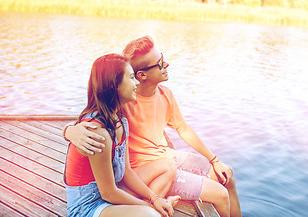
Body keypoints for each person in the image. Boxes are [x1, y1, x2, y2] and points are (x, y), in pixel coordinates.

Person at [64, 37, 242, 217]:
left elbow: (183, 128)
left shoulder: (159, 97)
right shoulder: (123, 105)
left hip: (165, 160)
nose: (167, 65)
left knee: (227, 174)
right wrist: (70, 131)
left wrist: (214, 160)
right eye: (160, 63)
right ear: (141, 75)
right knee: (220, 194)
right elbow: (93, 115)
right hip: (141, 172)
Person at [64, 53, 179, 217]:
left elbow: (126, 172)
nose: (137, 83)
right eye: (132, 78)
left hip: (112, 191)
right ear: (114, 85)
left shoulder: (120, 120)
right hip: (88, 207)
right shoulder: (98, 132)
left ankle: (156, 206)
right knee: (150, 215)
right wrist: (148, 207)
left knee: (166, 165)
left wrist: (154, 199)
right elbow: (108, 193)